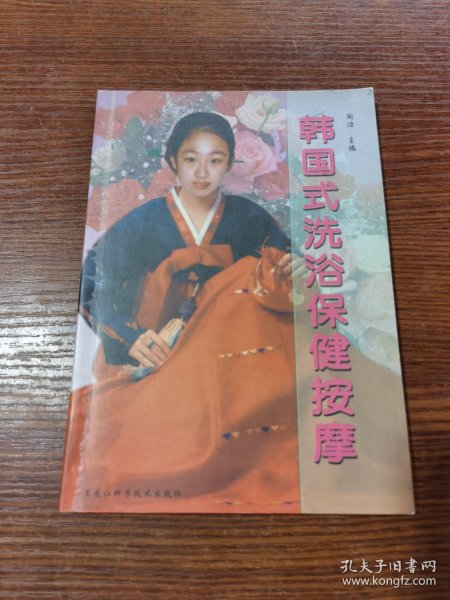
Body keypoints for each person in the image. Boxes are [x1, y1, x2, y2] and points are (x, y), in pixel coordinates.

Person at [63, 112, 309, 513]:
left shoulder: (250, 217)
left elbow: (285, 270)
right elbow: (92, 282)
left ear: (230, 165)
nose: (202, 172)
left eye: (215, 160)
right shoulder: (142, 221)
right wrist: (131, 336)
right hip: (159, 346)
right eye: (191, 159)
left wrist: (294, 270)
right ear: (172, 161)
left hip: (229, 350)